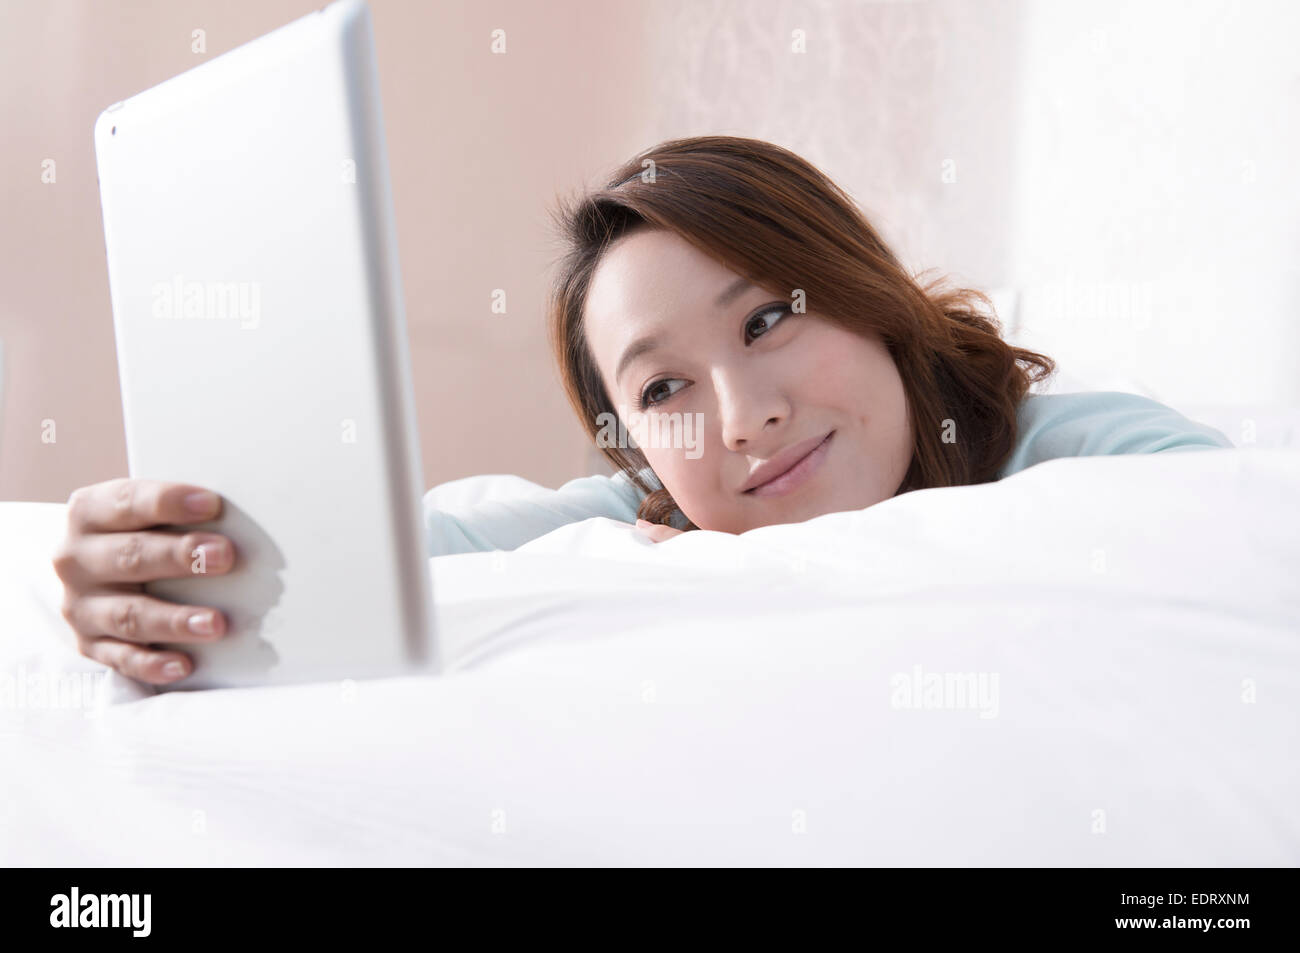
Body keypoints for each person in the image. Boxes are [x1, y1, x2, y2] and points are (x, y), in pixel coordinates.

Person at [52, 135, 1234, 686]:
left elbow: (1237, 525)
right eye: (663, 387)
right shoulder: (645, 513)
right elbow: (363, 553)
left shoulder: (1055, 439)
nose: (742, 416)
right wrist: (152, 551)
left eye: (768, 319)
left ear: (867, 295)